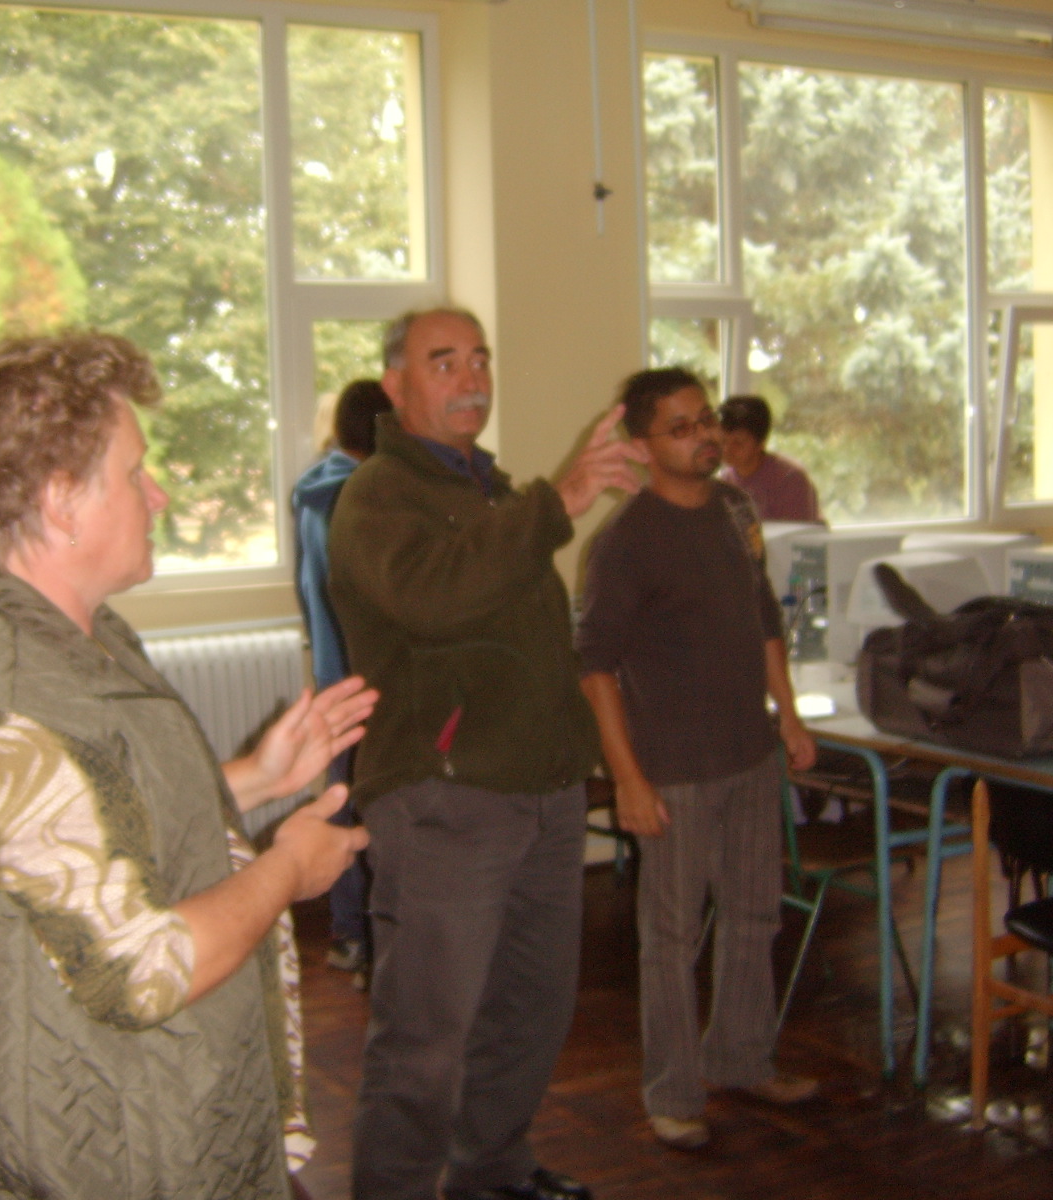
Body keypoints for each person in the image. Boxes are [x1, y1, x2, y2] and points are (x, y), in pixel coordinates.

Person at [0, 331, 376, 1200]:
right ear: (63, 502)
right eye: (135, 473)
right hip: (97, 1159)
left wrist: (254, 777)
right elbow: (143, 967)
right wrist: (289, 869)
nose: (157, 493)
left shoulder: (66, 636)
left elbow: (81, 833)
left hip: (168, 1115)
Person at [327, 307, 646, 1200]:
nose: (471, 378)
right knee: (425, 1035)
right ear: (396, 386)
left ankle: (492, 1174)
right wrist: (559, 501)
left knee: (529, 1012)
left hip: (541, 791)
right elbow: (435, 597)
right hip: (445, 799)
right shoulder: (378, 495)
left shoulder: (491, 488)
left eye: (479, 359)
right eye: (443, 362)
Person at [576, 369, 819, 1152]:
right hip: (672, 768)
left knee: (755, 915)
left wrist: (788, 714)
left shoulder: (737, 510)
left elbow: (764, 615)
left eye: (706, 418)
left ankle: (742, 1058)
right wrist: (627, 777)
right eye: (681, 427)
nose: (704, 435)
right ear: (643, 446)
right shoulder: (625, 541)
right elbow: (594, 667)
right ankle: (674, 1093)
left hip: (749, 752)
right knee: (673, 938)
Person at [290, 378, 392, 982]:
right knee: (372, 809)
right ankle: (369, 938)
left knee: (342, 800)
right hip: (368, 677)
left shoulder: (315, 488)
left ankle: (350, 934)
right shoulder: (364, 497)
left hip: (335, 675)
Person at [718, 393, 824, 524]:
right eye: (723, 441)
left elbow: (797, 533)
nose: (727, 449)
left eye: (738, 443)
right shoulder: (724, 481)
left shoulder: (790, 480)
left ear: (761, 443)